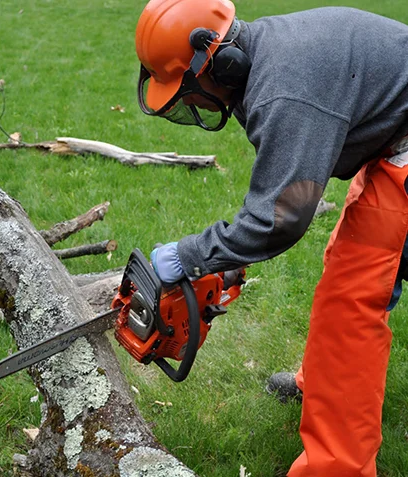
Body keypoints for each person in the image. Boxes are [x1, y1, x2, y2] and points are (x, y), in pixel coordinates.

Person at [135, 0, 408, 475]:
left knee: (354, 299)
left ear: (219, 62)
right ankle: (324, 385)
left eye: (190, 93)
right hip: (393, 140)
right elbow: (281, 187)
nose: (195, 104)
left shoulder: (285, 91)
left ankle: (336, 467)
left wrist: (192, 255)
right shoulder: (264, 58)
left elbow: (281, 217)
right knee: (348, 272)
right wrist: (229, 254)